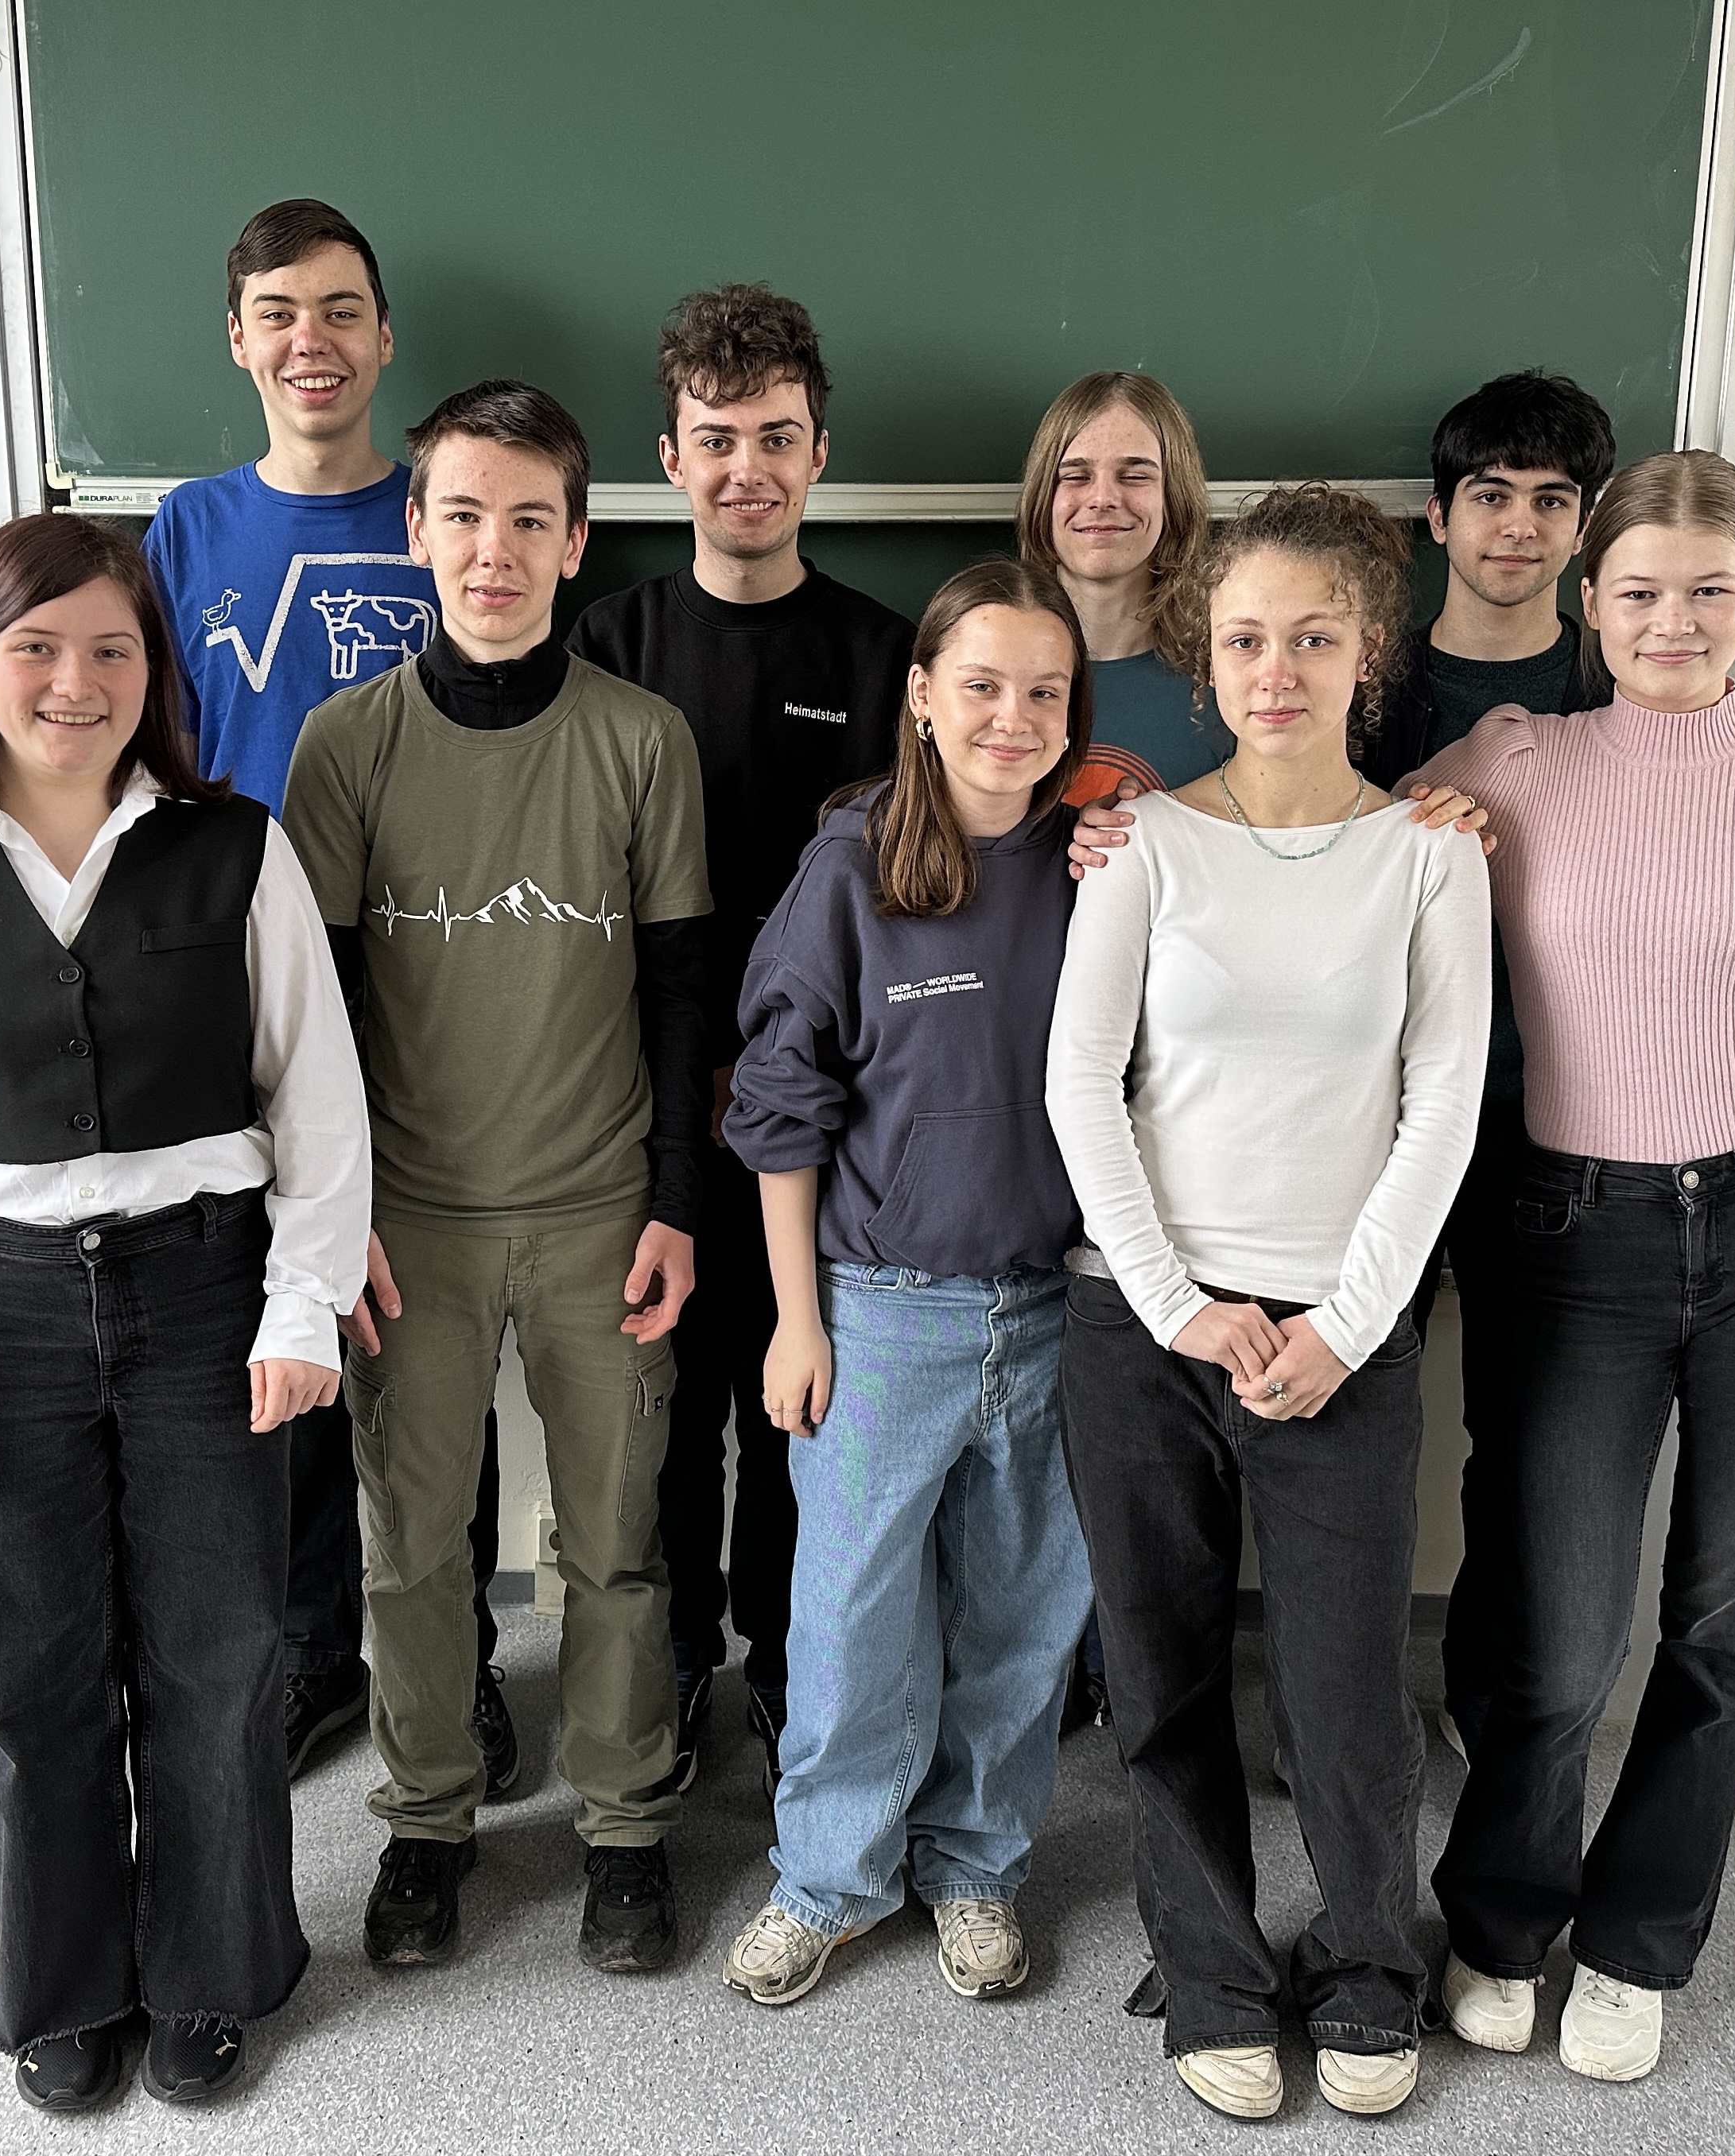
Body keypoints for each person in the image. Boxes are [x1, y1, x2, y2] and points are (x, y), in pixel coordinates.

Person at [0, 513, 369, 2111]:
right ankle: (62, 1984)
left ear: (152, 671)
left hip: (206, 1291)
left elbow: (319, 1098)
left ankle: (215, 1971)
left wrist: (303, 1307)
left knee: (218, 1649)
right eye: (35, 647)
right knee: (30, 1660)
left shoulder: (232, 845)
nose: (75, 681)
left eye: (112, 648)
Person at [1418, 450, 1735, 2083]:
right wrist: (1128, 838)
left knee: (1714, 1626)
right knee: (1562, 1635)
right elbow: (1319, 840)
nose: (1673, 620)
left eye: (1709, 590)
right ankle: (1502, 1919)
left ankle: (1638, 1947)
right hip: (1577, 1236)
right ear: (1590, 600)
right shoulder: (1514, 760)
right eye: (1640, 590)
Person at [1046, 487, 1491, 2121]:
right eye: (1245, 639)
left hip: (1342, 1332)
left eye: (1313, 637)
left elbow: (1441, 1104)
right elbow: (1082, 1085)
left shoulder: (1430, 853)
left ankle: (1371, 1968)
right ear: (1205, 658)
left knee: (1346, 1688)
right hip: (1145, 1328)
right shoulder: (1142, 844)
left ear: (1369, 652)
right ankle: (1215, 1973)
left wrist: (1344, 1327)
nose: (1277, 669)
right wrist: (1177, 1303)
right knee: (1162, 1673)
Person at [284, 379, 711, 1975]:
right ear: (416, 531)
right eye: (463, 515)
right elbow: (313, 1017)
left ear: (577, 542)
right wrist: (335, 1224)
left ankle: (624, 1826)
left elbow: (682, 994)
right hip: (412, 1224)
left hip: (603, 1212)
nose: (494, 550)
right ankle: (429, 1819)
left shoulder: (639, 740)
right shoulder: (347, 746)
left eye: (531, 520)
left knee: (614, 1542)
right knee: (413, 1548)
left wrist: (676, 1202)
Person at [142, 196, 514, 1792]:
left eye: (343, 310)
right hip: (238, 993)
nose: (314, 341)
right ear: (238, 338)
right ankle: (310, 1654)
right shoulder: (183, 532)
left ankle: (457, 1660)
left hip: (436, 987)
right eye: (281, 312)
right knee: (282, 1328)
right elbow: (146, 761)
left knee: (427, 1342)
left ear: (384, 335)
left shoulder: (448, 514)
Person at [715, 561, 1097, 2010]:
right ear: (923, 696)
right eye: (982, 685)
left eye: (1045, 691)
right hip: (880, 1308)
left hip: (1057, 1303)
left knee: (1022, 1615)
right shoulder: (851, 869)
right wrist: (795, 1317)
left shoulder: (1101, 864)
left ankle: (977, 1865)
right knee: (853, 1616)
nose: (1014, 717)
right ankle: (828, 1877)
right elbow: (778, 1105)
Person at [569, 284, 912, 1800]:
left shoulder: (888, 657)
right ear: (671, 457)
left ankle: (781, 1664)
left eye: (777, 436)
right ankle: (672, 1666)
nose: (747, 468)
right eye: (716, 439)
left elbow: (911, 900)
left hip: (825, 1120)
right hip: (640, 1113)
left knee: (792, 1414)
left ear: (819, 452)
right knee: (657, 1419)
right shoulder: (607, 644)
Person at [1357, 370, 1614, 1759]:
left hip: (1555, 1120)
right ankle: (1343, 1701)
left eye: (1551, 501)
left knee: (1524, 1432)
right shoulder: (1364, 680)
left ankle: (1489, 1692)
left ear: (1584, 526)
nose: (1519, 527)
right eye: (1492, 496)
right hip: (1377, 1110)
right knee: (1354, 1407)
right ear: (1439, 517)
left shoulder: (1620, 683)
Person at [1017, 370, 1229, 807]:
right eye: (1075, 476)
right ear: (1043, 497)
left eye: (1134, 476)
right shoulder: (981, 673)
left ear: (1174, 497)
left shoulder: (1230, 677)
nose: (1103, 498)